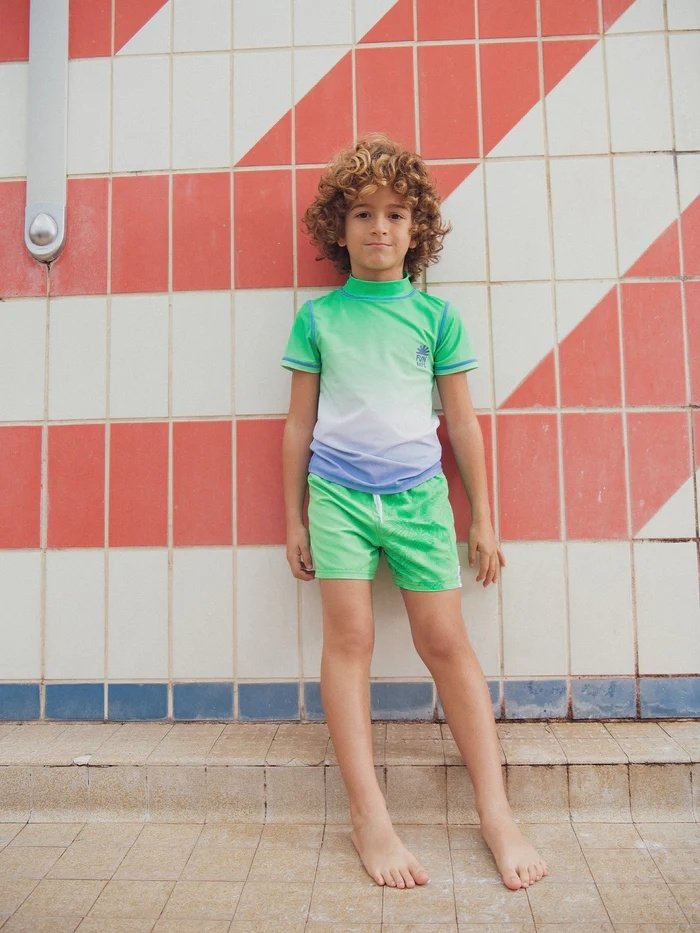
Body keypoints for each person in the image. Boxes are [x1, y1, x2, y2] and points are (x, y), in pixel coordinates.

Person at [281, 133, 548, 891]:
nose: (379, 228)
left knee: (446, 640)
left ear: (416, 228)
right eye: (363, 213)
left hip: (420, 501)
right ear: (339, 228)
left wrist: (483, 517)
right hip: (337, 498)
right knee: (350, 640)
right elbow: (297, 425)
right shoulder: (318, 319)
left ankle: (496, 812)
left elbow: (461, 422)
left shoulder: (435, 318)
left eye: (395, 214)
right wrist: (294, 518)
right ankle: (369, 816)